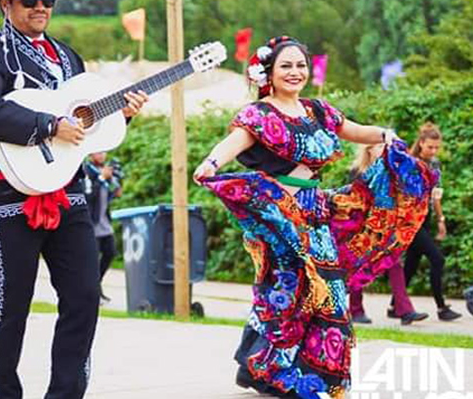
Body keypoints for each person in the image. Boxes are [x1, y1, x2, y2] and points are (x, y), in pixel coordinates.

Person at [193, 36, 437, 398]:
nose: (295, 72)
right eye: (286, 66)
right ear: (269, 73)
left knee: (327, 292)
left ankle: (292, 371)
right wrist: (211, 165)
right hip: (280, 217)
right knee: (289, 291)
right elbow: (234, 143)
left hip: (316, 212)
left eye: (300, 65)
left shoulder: (318, 111)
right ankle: (271, 371)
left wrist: (387, 135)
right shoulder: (258, 114)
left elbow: (354, 131)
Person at [0, 0, 148, 399]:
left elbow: (83, 127)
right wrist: (45, 126)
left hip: (67, 191)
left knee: (83, 296)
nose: (41, 6)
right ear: (6, 3)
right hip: (8, 197)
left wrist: (123, 114)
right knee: (12, 304)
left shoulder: (68, 57)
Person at [346, 144, 428, 325]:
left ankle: (405, 311)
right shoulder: (358, 171)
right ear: (368, 149)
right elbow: (353, 200)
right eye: (379, 147)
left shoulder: (392, 170)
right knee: (358, 266)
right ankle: (355, 309)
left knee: (394, 264)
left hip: (385, 226)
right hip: (362, 226)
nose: (384, 150)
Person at [395, 123, 462, 321]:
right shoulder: (409, 163)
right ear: (421, 143)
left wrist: (440, 219)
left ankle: (395, 305)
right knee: (438, 259)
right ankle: (442, 308)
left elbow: (436, 196)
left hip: (425, 220)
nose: (433, 151)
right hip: (410, 221)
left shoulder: (434, 164)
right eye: (430, 147)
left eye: (436, 147)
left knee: (412, 264)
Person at [83, 152, 121, 304]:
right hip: (92, 223)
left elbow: (105, 196)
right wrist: (100, 179)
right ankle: (94, 293)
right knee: (92, 260)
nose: (102, 155)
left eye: (104, 152)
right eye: (99, 152)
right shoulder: (87, 172)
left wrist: (115, 190)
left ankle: (97, 286)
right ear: (91, 154)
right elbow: (88, 197)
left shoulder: (104, 171)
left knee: (110, 252)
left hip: (104, 223)